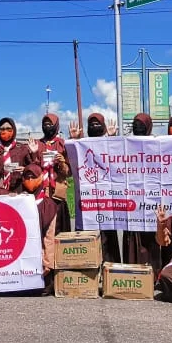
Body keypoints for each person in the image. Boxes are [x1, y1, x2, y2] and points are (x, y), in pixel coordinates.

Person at [68, 112, 120, 263]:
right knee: (87, 232)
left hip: (106, 196)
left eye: (98, 124)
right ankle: (86, 266)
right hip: (87, 197)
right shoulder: (82, 143)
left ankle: (110, 265)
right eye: (92, 124)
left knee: (107, 233)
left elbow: (118, 157)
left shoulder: (108, 142)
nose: (95, 126)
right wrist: (75, 140)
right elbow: (72, 160)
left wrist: (112, 138)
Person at [122, 113, 161, 270]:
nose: (138, 127)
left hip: (150, 197)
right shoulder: (125, 144)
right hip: (131, 196)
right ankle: (131, 268)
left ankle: (152, 272)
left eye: (142, 124)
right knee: (132, 234)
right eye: (135, 123)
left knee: (149, 236)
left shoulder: (156, 143)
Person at [28, 113, 71, 233]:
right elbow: (33, 168)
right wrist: (34, 153)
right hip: (41, 190)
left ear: (56, 125)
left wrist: (62, 163)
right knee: (43, 225)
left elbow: (68, 172)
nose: (47, 126)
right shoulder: (37, 144)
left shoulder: (62, 144)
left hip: (57, 189)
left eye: (50, 124)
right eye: (45, 124)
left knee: (58, 225)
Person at [19, 163, 59, 289]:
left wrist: (47, 263)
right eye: (27, 177)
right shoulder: (18, 202)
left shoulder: (49, 205)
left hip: (42, 257)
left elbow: (50, 237)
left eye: (33, 177)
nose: (30, 181)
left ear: (40, 178)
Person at [0, 117, 30, 193]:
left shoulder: (22, 148)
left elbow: (33, 168)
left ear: (14, 130)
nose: (5, 131)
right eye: (2, 129)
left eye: (8, 129)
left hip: (18, 189)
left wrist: (25, 169)